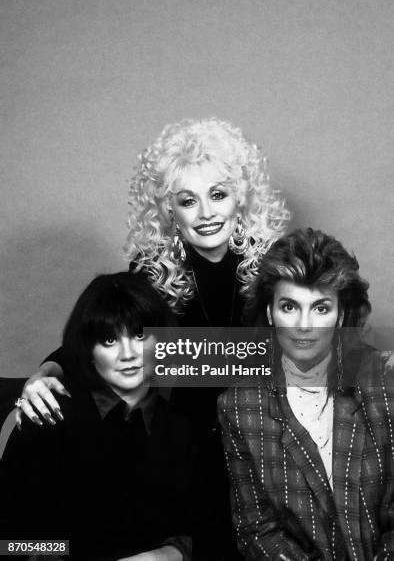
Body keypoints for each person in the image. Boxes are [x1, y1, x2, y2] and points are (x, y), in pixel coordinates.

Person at [11, 118, 290, 559]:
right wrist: (45, 373)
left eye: (218, 195)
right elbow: (101, 335)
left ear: (242, 197)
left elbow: (317, 340)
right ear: (169, 210)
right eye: (187, 201)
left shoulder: (278, 265)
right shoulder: (153, 269)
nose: (206, 213)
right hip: (181, 441)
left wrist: (373, 363)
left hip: (262, 439)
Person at [218, 228, 394, 560]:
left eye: (320, 308)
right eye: (289, 306)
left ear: (341, 315)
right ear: (270, 313)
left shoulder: (385, 381)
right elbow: (257, 530)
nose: (304, 325)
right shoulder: (240, 406)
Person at [0, 272, 193, 561]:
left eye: (140, 335)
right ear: (89, 350)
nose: (128, 354)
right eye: (109, 339)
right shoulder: (48, 415)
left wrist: (166, 555)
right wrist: (64, 554)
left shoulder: (183, 418)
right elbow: (8, 543)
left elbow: (204, 528)